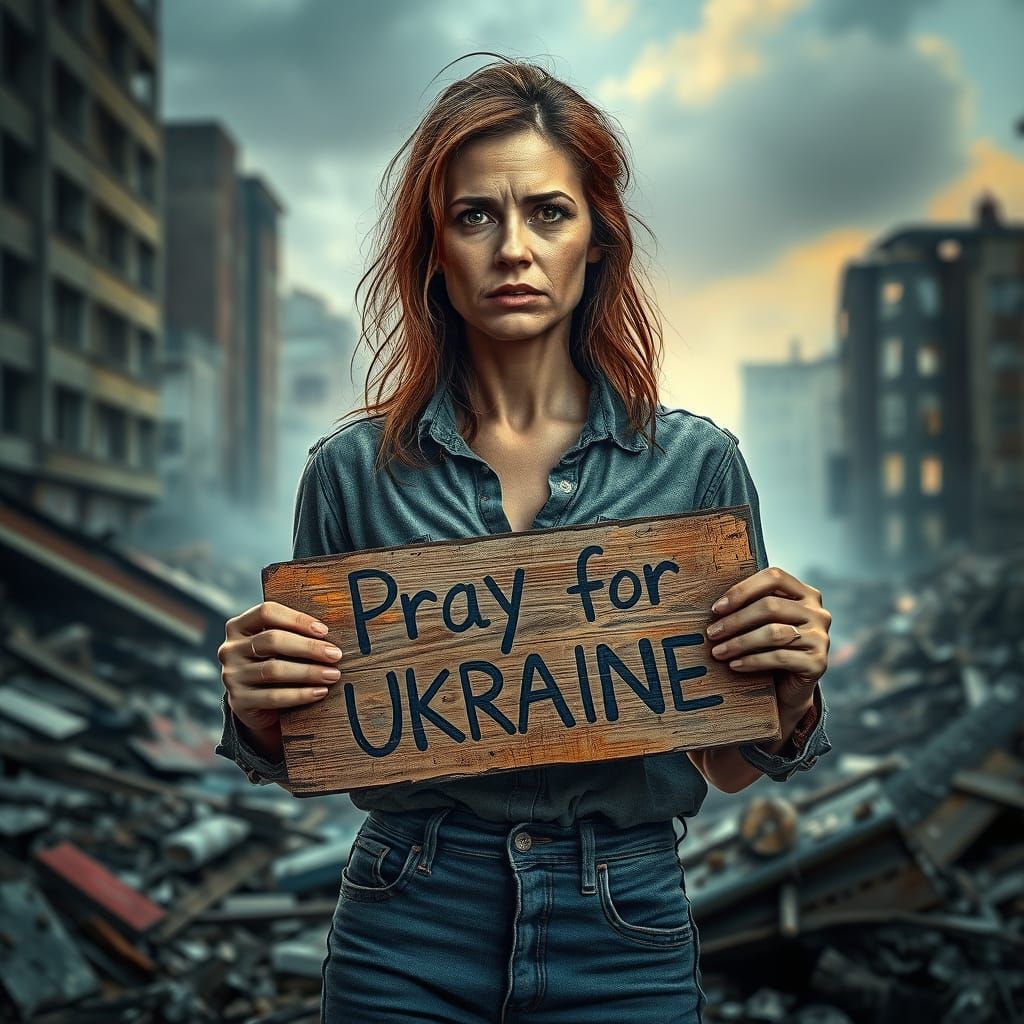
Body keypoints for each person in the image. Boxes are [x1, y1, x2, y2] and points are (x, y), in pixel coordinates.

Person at [216, 54, 833, 1024]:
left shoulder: (697, 466)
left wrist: (789, 692)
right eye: (475, 216)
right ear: (434, 248)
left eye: (548, 212)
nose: (513, 249)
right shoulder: (348, 474)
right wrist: (258, 709)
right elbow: (324, 750)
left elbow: (724, 765)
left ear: (597, 240)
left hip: (622, 927)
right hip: (406, 921)